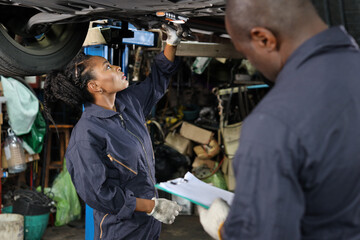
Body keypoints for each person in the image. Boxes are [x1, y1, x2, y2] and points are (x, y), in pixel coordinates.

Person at [198, 0, 360, 239]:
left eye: (246, 53)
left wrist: (227, 230)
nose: (252, 63)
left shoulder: (274, 124)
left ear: (264, 39)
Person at [43, 24, 183, 239]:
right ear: (95, 87)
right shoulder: (87, 134)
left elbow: (157, 81)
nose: (117, 67)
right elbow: (99, 195)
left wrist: (171, 42)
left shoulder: (129, 103)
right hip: (120, 230)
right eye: (108, 67)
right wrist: (151, 207)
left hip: (149, 224)